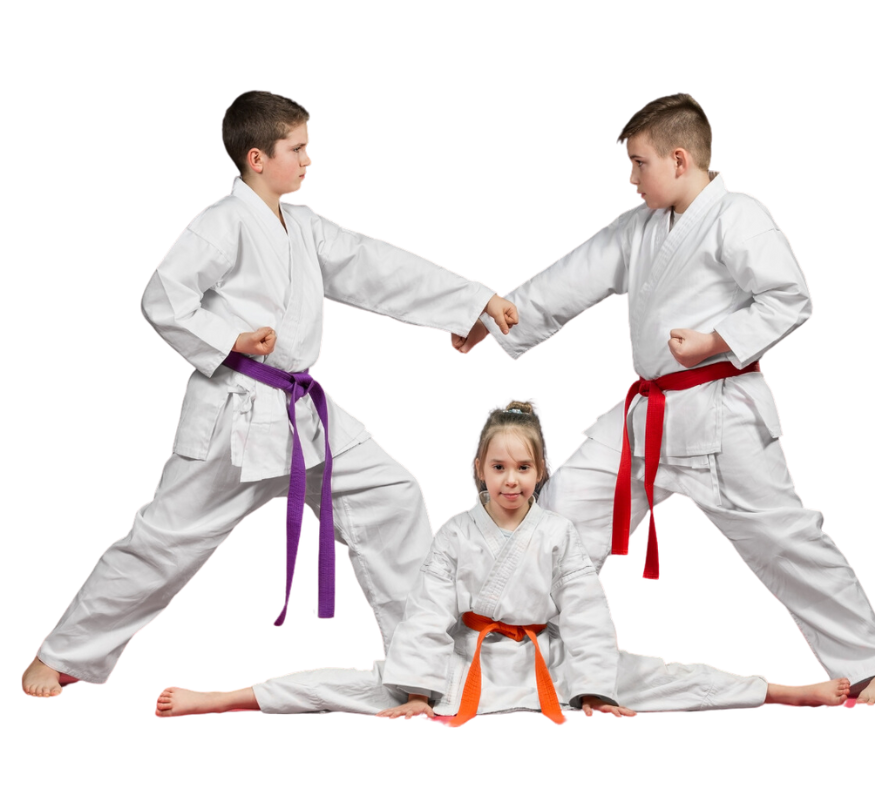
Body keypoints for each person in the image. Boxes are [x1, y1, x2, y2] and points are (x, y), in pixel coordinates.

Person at [21, 89, 518, 700]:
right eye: (298, 149)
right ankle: (62, 653)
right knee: (166, 540)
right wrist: (229, 337)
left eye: (309, 147)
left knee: (393, 497)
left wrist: (472, 301)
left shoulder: (303, 226)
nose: (309, 159)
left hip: (304, 410)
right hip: (237, 411)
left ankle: (422, 665)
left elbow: (377, 266)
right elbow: (162, 298)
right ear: (257, 157)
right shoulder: (220, 223)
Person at [453, 93, 875, 707]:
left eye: (638, 163)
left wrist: (716, 341)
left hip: (719, 409)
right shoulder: (639, 225)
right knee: (558, 514)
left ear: (677, 158)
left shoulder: (738, 215)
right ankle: (534, 656)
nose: (630, 176)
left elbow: (791, 297)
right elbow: (571, 277)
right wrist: (497, 320)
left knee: (784, 539)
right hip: (645, 415)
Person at [154, 399, 850, 721]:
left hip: (548, 664)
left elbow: (586, 610)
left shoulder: (558, 535)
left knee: (669, 679)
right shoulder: (456, 534)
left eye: (524, 467)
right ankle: (216, 700)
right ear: (479, 472)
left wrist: (598, 685)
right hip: (464, 664)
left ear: (541, 471)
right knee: (349, 687)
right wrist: (420, 689)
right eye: (500, 467)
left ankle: (798, 692)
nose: (512, 479)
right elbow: (427, 612)